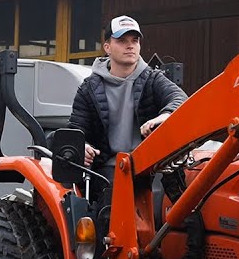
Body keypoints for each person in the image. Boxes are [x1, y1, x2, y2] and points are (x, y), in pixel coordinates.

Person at [68, 14, 186, 172]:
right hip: (108, 168)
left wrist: (165, 116)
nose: (130, 46)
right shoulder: (89, 88)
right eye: (122, 41)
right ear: (107, 47)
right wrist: (83, 147)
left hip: (151, 167)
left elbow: (180, 99)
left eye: (134, 40)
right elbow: (76, 130)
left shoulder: (153, 79)